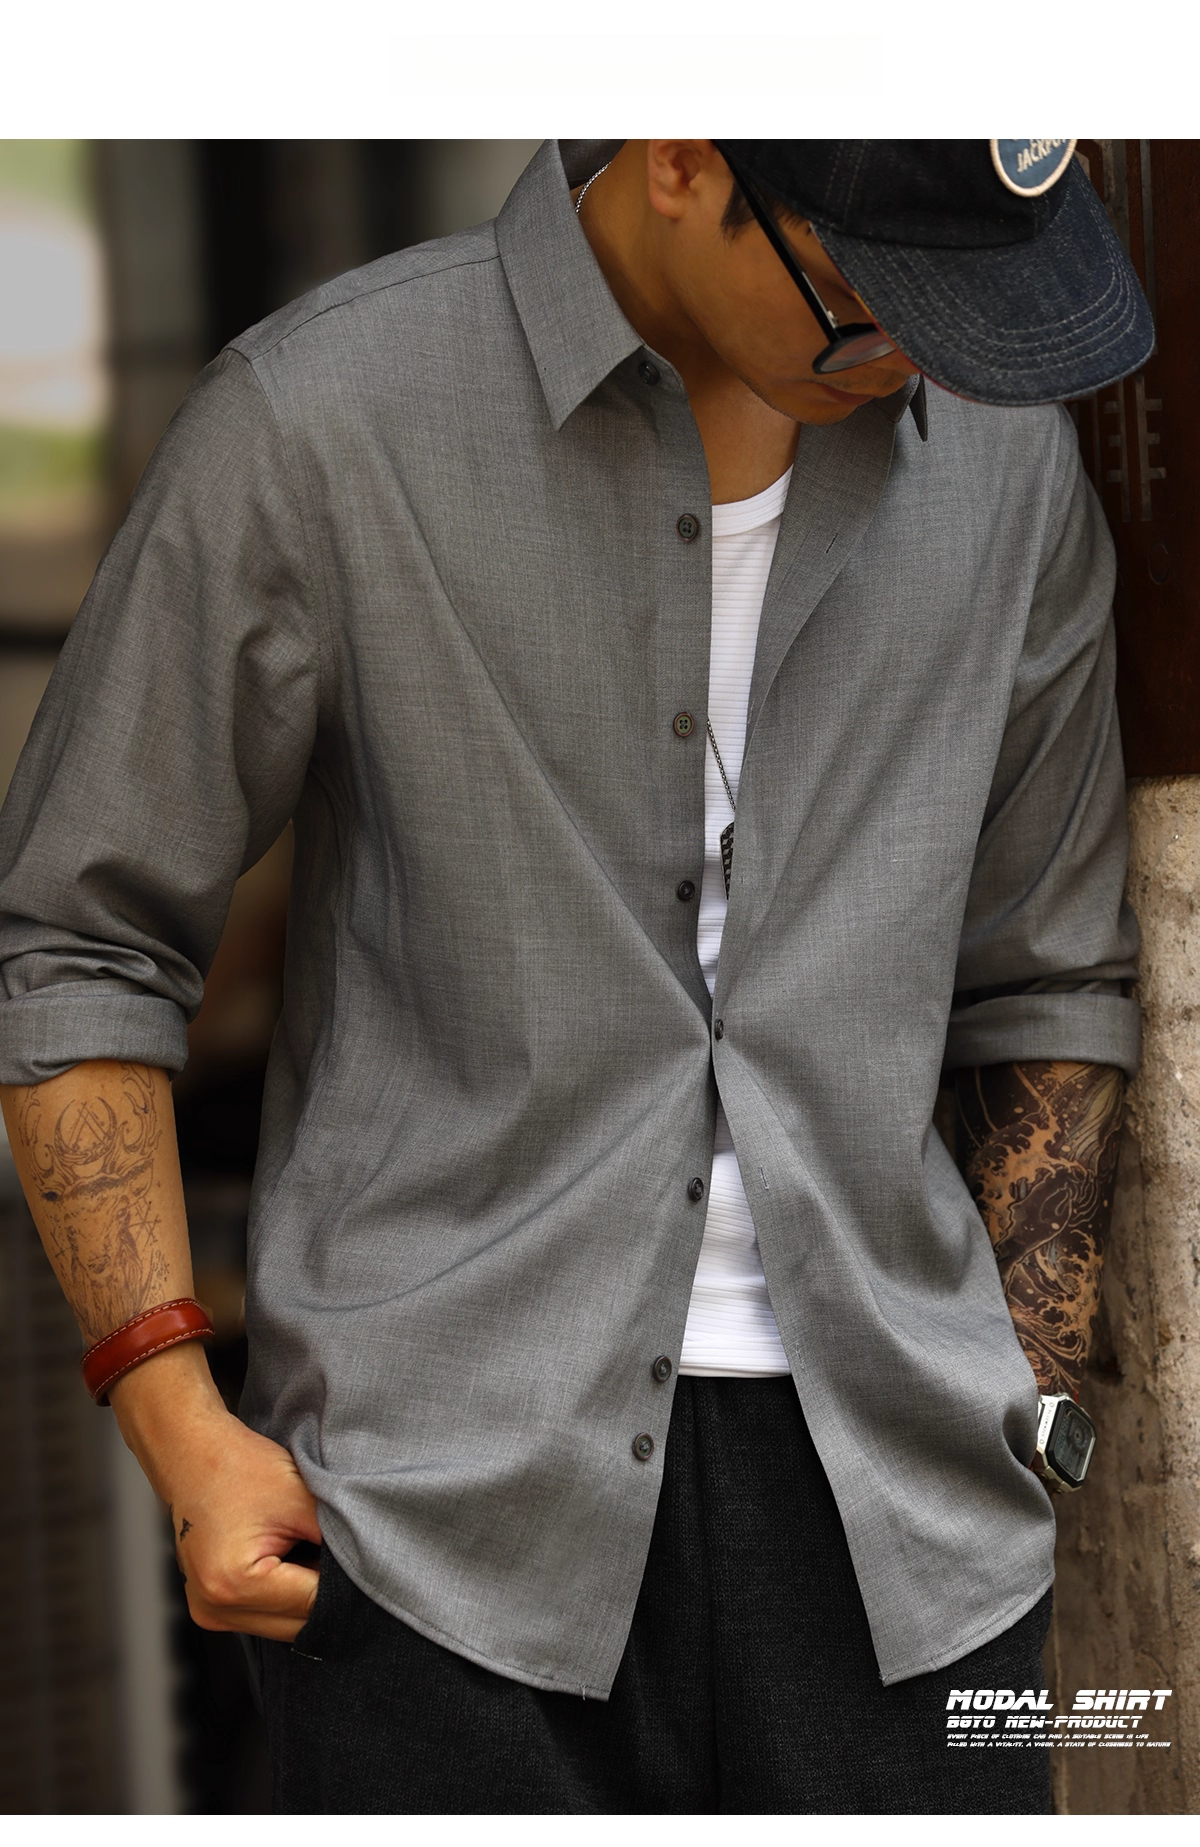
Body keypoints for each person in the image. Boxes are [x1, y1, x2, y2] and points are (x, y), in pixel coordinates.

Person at [0, 139, 1152, 1813]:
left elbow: (1047, 977)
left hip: (913, 1546)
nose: (918, 350)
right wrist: (181, 1425)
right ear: (682, 156)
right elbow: (80, 937)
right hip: (429, 1542)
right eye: (865, 293)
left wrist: (1023, 1405)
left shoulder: (1007, 466)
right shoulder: (321, 422)